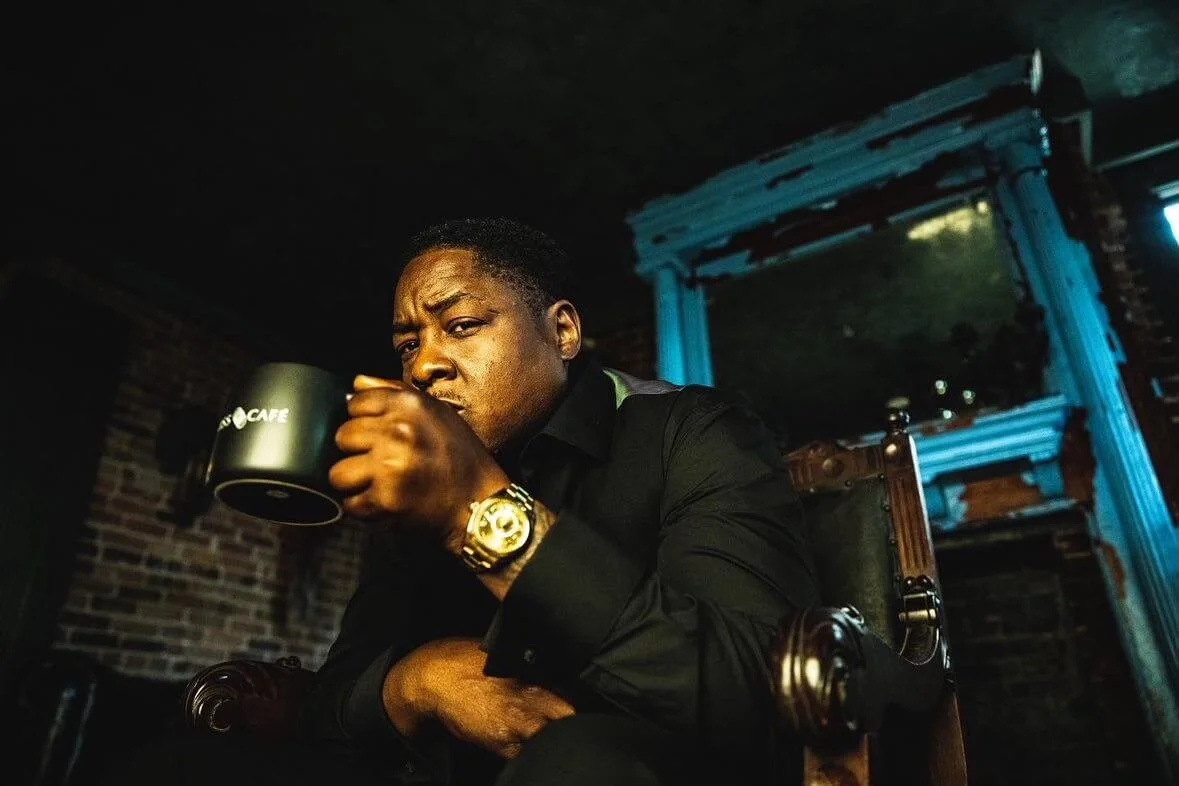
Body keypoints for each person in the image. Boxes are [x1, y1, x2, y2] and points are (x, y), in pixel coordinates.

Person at [103, 217, 818, 786]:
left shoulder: (693, 432)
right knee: (176, 767)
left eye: (463, 325)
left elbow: (756, 695)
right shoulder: (412, 494)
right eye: (406, 344)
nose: (423, 364)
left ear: (562, 332)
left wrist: (476, 511)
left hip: (619, 764)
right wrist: (418, 682)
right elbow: (339, 690)